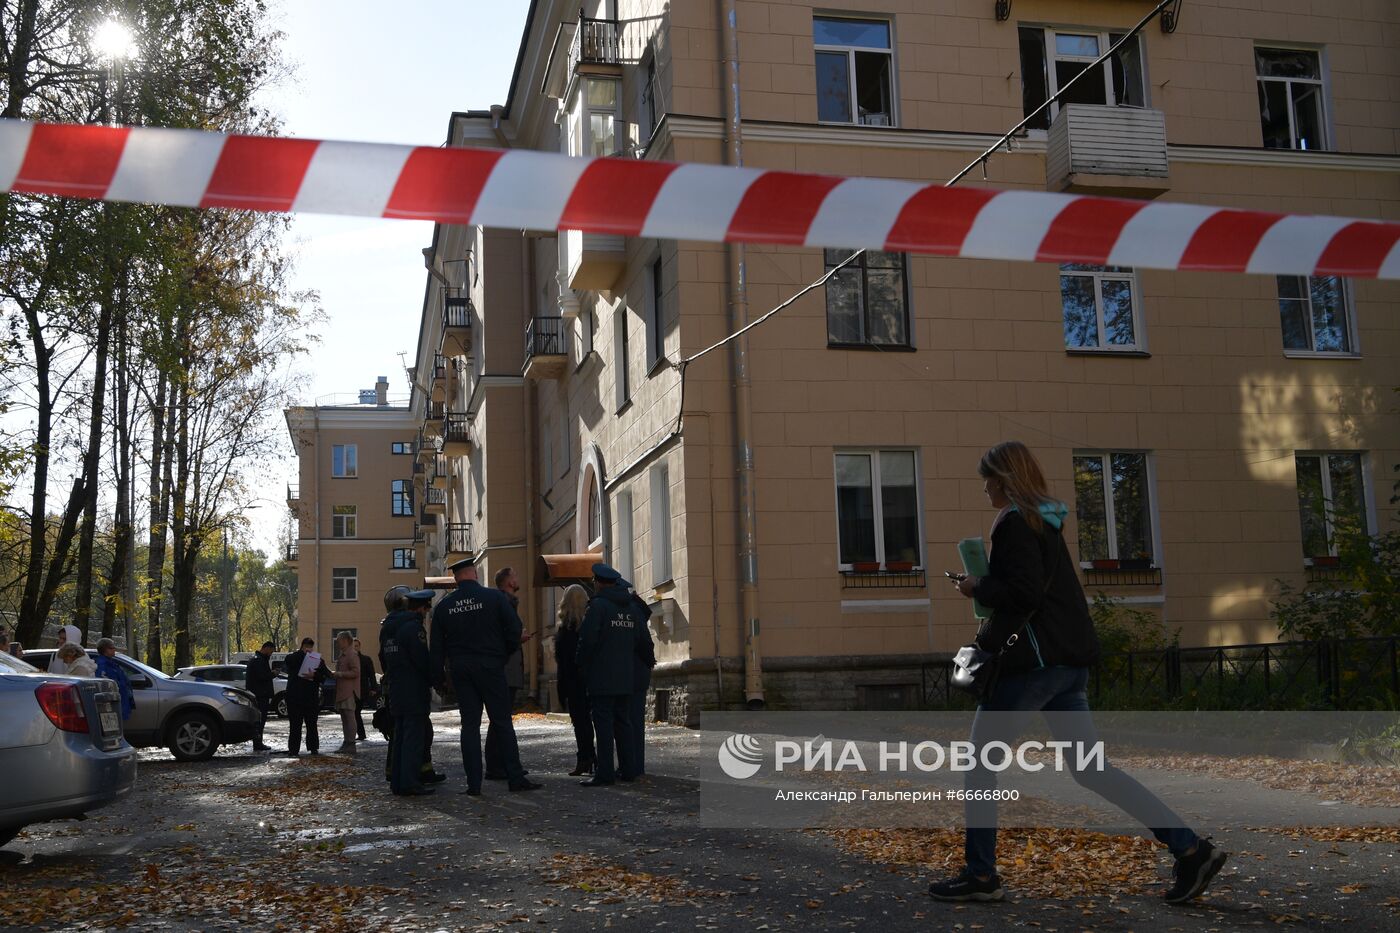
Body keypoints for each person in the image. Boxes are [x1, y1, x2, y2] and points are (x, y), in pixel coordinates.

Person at [928, 441, 1227, 905]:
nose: (985, 487)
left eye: (989, 478)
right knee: (1093, 771)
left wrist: (976, 585)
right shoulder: (1045, 521)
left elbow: (1023, 593)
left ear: (1005, 479)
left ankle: (981, 875)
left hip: (1032, 669)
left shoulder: (1012, 523)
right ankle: (1190, 850)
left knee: (979, 765)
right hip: (1068, 666)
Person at [430, 556, 541, 795]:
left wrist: (438, 678)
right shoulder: (494, 598)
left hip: (461, 670)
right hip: (491, 667)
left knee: (469, 726)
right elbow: (514, 629)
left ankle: (474, 784)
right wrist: (502, 654)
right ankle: (515, 778)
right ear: (475, 574)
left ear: (455, 578)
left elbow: (436, 648)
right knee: (501, 722)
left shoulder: (444, 607)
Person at [576, 563, 649, 787]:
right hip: (626, 675)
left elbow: (587, 640)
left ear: (597, 583)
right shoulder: (631, 608)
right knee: (624, 722)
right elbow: (642, 641)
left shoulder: (598, 607)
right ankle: (629, 770)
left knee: (604, 724)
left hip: (602, 675)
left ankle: (605, 773)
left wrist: (582, 665)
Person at [380, 587, 436, 796]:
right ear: (420, 608)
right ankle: (410, 782)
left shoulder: (387, 628)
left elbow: (383, 657)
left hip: (396, 688)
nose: (426, 613)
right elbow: (421, 659)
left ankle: (398, 782)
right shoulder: (413, 628)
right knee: (413, 738)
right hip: (413, 689)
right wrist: (434, 680)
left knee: (400, 737)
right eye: (426, 609)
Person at [485, 565, 532, 780]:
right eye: (515, 576)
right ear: (509, 582)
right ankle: (499, 766)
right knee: (500, 719)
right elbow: (503, 636)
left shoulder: (503, 602)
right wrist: (517, 638)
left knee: (500, 719)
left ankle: (501, 765)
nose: (518, 578)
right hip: (505, 668)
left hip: (505, 667)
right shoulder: (505, 603)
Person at [553, 584, 594, 776]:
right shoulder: (590, 625)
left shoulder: (564, 631)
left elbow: (562, 662)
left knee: (580, 723)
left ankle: (584, 758)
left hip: (572, 682)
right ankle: (594, 759)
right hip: (590, 680)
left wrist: (561, 688)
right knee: (595, 722)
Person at [622, 580, 656, 778]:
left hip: (632, 673)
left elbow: (643, 644)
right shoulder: (637, 610)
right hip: (639, 672)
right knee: (634, 721)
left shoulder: (630, 611)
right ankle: (635, 765)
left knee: (630, 721)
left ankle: (633, 766)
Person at [283, 637, 330, 757]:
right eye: (306, 647)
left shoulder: (317, 660)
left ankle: (313, 748)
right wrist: (302, 654)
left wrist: (314, 675)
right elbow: (288, 662)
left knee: (312, 724)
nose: (309, 649)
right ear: (302, 647)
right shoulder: (294, 657)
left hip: (310, 697)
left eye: (311, 647)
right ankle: (293, 750)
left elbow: (324, 676)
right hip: (295, 697)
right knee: (295, 725)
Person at [332, 632, 361, 754]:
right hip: (343, 690)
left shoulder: (352, 654)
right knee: (344, 717)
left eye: (339, 640)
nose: (338, 643)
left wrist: (340, 674)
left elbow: (356, 672)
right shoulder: (344, 655)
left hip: (349, 690)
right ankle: (347, 742)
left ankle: (351, 743)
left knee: (349, 717)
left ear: (345, 640)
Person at [245, 641, 276, 752]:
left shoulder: (258, 659)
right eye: (271, 651)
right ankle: (257, 744)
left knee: (259, 721)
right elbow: (262, 676)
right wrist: (273, 674)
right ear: (266, 648)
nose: (271, 654)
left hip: (258, 694)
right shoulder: (259, 660)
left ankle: (258, 742)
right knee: (259, 721)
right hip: (260, 695)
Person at [93, 638, 134, 721]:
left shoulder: (112, 663)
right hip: (112, 702)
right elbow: (104, 683)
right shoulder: (102, 664)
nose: (114, 649)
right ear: (105, 649)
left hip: (118, 700)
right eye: (112, 648)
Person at [353, 637, 378, 742]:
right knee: (354, 713)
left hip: (362, 689)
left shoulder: (365, 659)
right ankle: (358, 733)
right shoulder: (348, 659)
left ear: (359, 647)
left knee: (356, 712)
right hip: (351, 689)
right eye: (353, 646)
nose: (354, 648)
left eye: (356, 646)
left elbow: (372, 675)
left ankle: (361, 734)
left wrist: (373, 688)